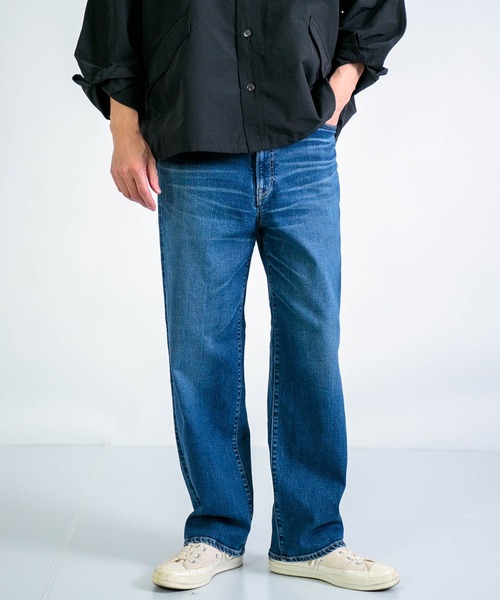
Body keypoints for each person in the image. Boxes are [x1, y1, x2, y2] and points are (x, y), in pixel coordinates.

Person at [72, 0, 406, 592]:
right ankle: (216, 533)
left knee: (311, 341)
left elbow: (376, 7)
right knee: (201, 346)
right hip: (194, 141)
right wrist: (124, 129)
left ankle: (310, 538)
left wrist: (336, 92)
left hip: (302, 144)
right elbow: (111, 17)